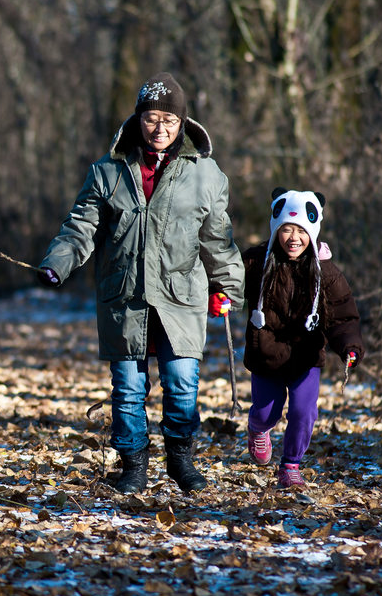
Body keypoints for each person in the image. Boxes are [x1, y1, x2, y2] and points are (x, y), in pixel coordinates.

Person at [36, 72, 244, 495]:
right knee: (129, 389)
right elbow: (81, 227)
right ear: (138, 120)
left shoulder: (206, 174)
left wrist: (228, 287)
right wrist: (57, 263)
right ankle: (133, 465)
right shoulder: (108, 171)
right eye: (152, 118)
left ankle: (181, 460)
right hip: (125, 299)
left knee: (182, 382)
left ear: (182, 123)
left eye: (169, 120)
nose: (160, 128)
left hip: (181, 298)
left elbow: (218, 239)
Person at [241, 188, 365, 489]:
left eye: (300, 230)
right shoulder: (257, 262)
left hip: (306, 356)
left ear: (312, 232)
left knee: (303, 412)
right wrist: (218, 296)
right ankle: (258, 429)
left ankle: (291, 465)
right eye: (286, 229)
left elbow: (342, 316)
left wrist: (348, 346)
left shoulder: (326, 273)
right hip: (266, 352)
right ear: (276, 229)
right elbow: (228, 281)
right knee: (265, 411)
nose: (293, 237)